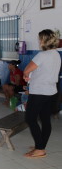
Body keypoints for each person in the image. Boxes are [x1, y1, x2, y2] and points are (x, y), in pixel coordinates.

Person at [23, 29, 61, 159]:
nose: (39, 41)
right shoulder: (56, 54)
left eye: (40, 39)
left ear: (44, 40)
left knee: (30, 118)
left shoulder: (42, 55)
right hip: (51, 91)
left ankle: (39, 149)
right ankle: (41, 146)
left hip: (39, 92)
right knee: (45, 120)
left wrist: (26, 75)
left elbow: (27, 69)